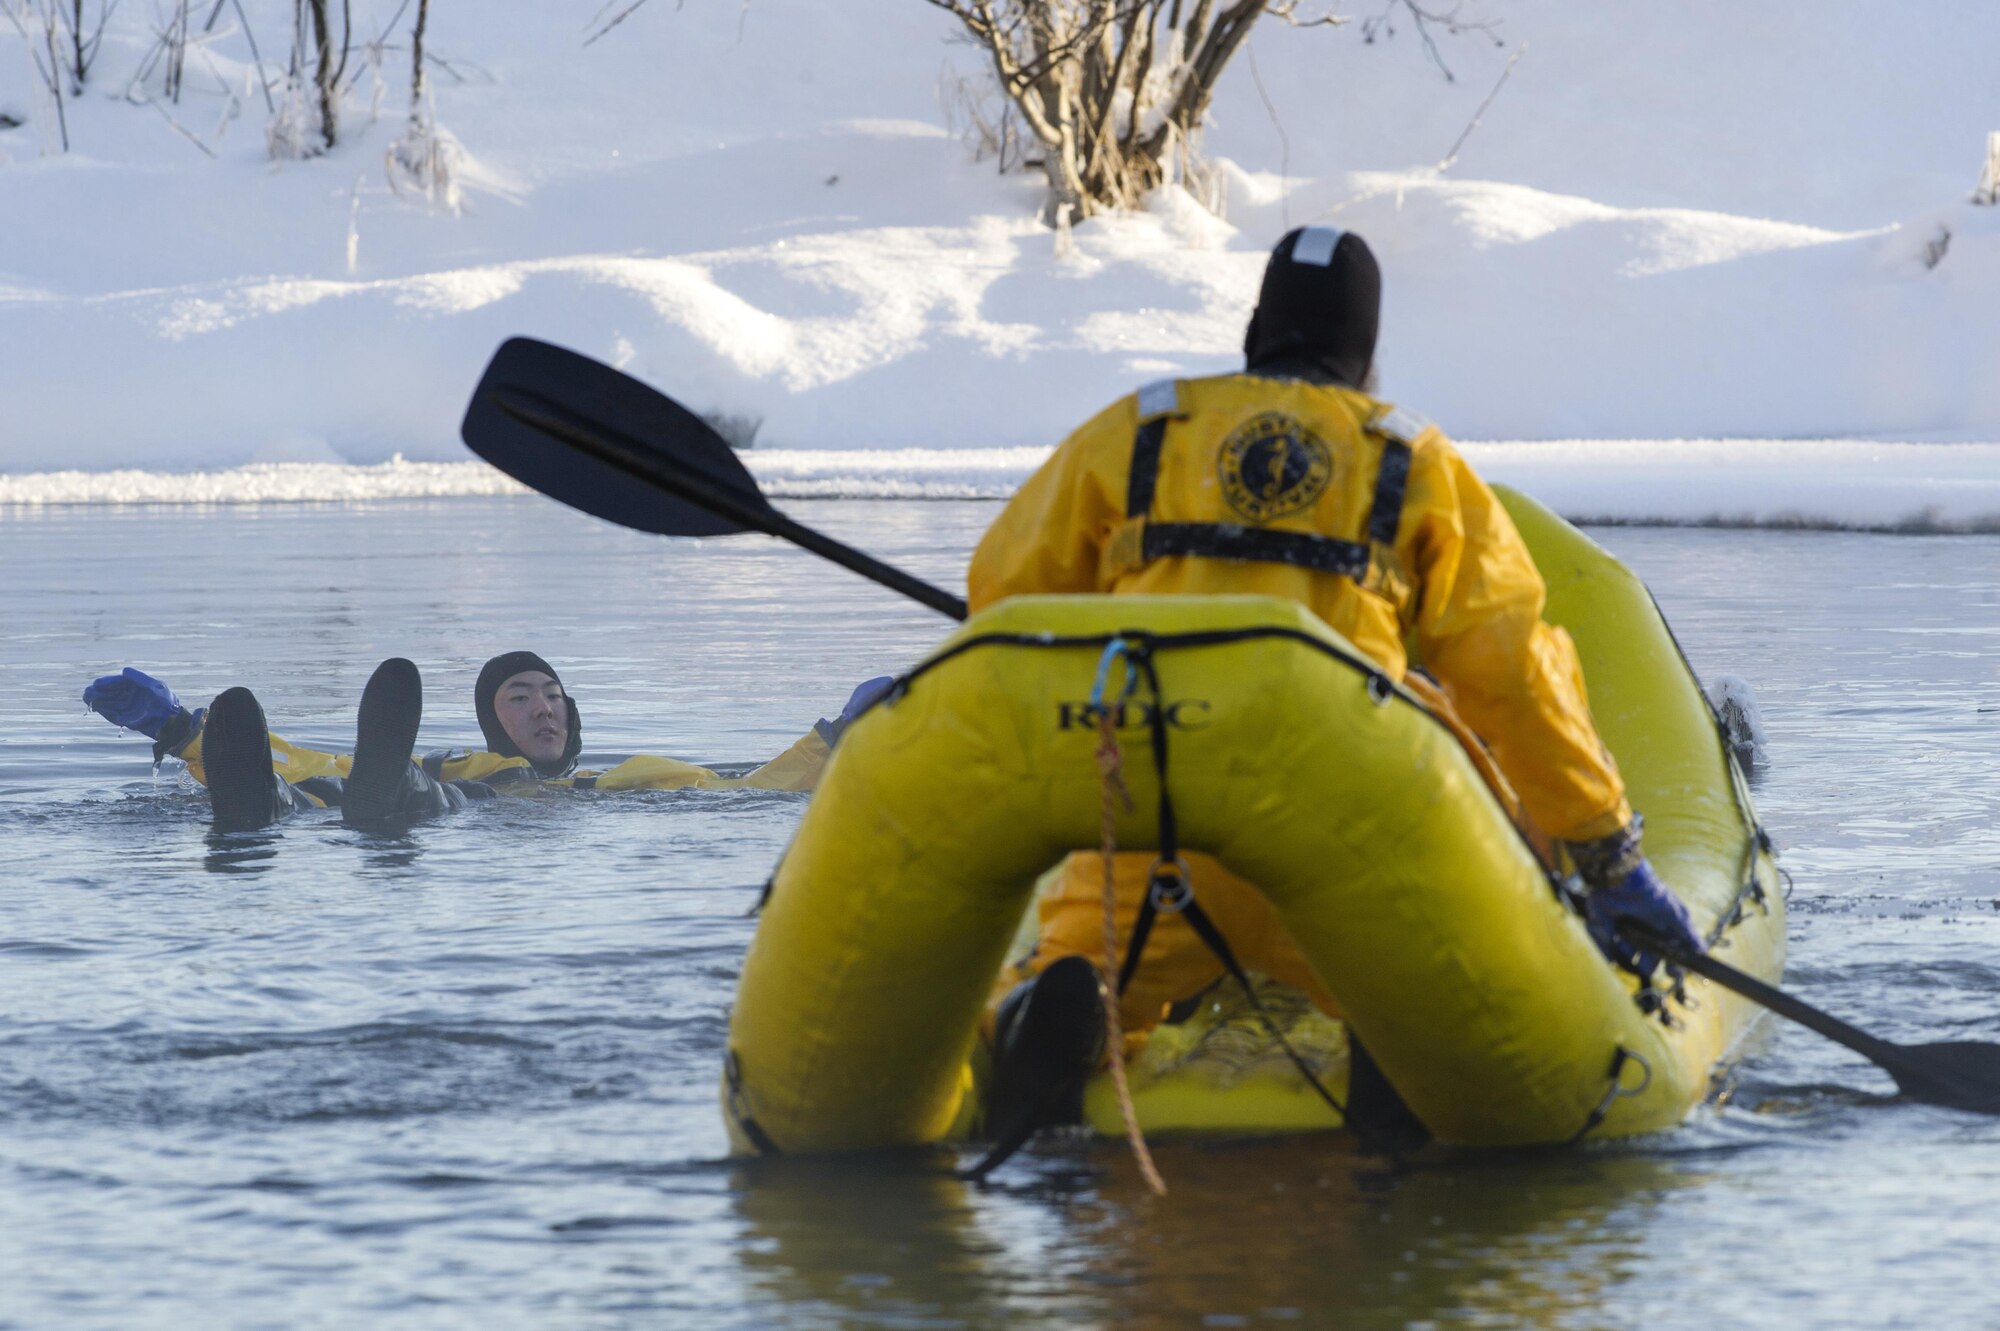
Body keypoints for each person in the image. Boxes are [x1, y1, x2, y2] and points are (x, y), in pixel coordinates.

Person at [964, 226, 1705, 1141]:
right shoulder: (1413, 462)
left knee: (1074, 976)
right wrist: (1606, 850)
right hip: (1348, 843)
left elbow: (1003, 601)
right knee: (1411, 992)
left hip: (1160, 833)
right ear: (1368, 351)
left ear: (1253, 327)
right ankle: (1395, 1075)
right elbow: (1513, 673)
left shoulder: (1139, 432)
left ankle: (1058, 1010)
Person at [85, 654, 887, 832]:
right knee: (327, 785)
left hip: (434, 808)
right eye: (519, 697)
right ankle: (259, 802)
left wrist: (834, 736)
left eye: (552, 696)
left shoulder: (626, 776)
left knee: (397, 791)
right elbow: (315, 757)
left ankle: (369, 800)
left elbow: (743, 794)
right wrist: (185, 730)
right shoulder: (464, 761)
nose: (544, 709)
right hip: (423, 793)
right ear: (489, 721)